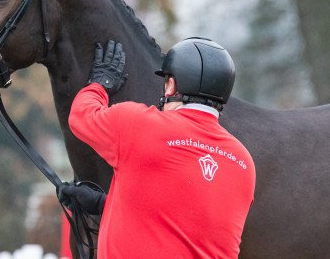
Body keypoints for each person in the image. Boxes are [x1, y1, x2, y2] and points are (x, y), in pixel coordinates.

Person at [59, 38, 256, 259]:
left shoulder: (140, 125)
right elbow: (186, 221)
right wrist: (103, 205)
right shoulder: (243, 161)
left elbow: (81, 116)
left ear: (171, 85)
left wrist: (100, 84)